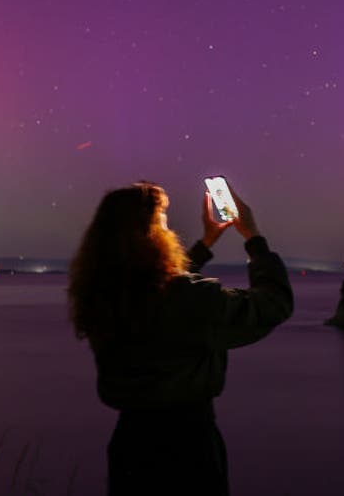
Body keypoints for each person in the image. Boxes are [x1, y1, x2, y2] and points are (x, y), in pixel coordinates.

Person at [68, 181, 293, 496]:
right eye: (161, 222)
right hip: (188, 447)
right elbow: (272, 306)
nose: (169, 230)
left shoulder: (102, 297)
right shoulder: (187, 300)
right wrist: (254, 239)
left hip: (130, 445)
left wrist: (205, 244)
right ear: (149, 236)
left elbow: (158, 293)